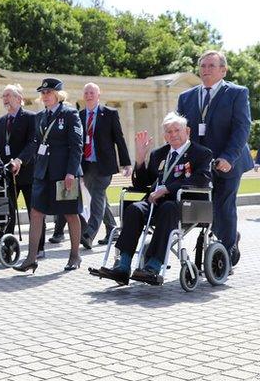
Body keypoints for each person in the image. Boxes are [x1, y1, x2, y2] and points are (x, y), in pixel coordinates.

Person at [91, 113, 212, 285]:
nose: (173, 134)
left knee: (168, 208)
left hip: (184, 203)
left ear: (187, 131)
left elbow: (202, 179)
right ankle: (123, 266)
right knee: (134, 209)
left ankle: (153, 266)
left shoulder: (201, 153)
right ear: (165, 136)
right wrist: (140, 158)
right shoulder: (158, 154)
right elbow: (141, 183)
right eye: (169, 132)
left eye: (177, 130)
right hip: (155, 202)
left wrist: (167, 188)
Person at [176, 50, 252, 266]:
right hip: (200, 164)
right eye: (202, 66)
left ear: (223, 70)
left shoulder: (237, 93)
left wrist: (229, 157)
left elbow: (241, 128)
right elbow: (182, 131)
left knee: (224, 206)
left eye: (211, 66)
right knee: (204, 208)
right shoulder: (186, 97)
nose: (206, 70)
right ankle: (227, 240)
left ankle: (224, 259)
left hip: (229, 161)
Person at [12, 78, 84, 273]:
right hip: (42, 173)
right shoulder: (40, 117)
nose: (44, 96)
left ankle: (74, 255)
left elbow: (77, 146)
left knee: (70, 213)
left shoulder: (70, 114)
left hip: (64, 174)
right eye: (42, 93)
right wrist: (19, 160)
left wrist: (71, 172)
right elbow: (35, 144)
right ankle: (31, 258)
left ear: (58, 95)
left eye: (48, 92)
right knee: (36, 213)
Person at [50, 83, 131, 248]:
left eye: (92, 92)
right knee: (98, 197)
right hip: (86, 164)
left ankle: (89, 234)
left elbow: (119, 139)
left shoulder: (109, 114)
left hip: (104, 164)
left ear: (98, 95)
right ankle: (112, 228)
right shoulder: (78, 115)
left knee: (98, 194)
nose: (88, 95)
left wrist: (126, 163)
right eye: (86, 92)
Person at [0, 83, 42, 255]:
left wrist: (19, 160)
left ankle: (38, 248)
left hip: (28, 173)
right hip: (8, 175)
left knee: (34, 211)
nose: (5, 99)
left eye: (8, 95)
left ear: (19, 98)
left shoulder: (31, 117)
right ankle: (7, 248)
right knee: (7, 211)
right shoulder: (0, 122)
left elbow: (33, 143)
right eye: (3, 96)